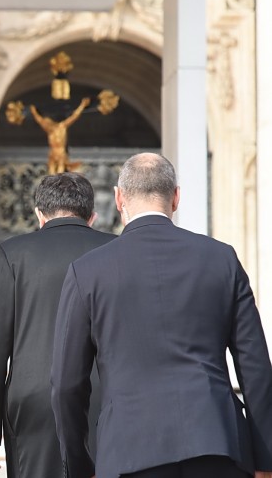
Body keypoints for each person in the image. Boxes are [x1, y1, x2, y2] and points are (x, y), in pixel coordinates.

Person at [51, 153, 272, 478]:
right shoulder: (221, 259)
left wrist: (79, 467)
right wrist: (265, 460)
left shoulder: (88, 271)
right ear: (176, 197)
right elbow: (256, 369)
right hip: (215, 444)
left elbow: (66, 386)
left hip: (128, 451)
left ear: (119, 197)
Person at [0, 172, 115, 477]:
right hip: (105, 400)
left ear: (38, 214)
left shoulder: (10, 254)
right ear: (93, 216)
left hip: (33, 402)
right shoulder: (117, 251)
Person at [30, 97, 89, 174]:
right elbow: (39, 120)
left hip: (61, 152)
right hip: (52, 153)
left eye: (47, 121)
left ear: (51, 120)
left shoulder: (62, 126)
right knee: (51, 174)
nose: (45, 123)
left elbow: (74, 116)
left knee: (60, 173)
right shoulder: (49, 129)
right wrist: (34, 112)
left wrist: (82, 105)